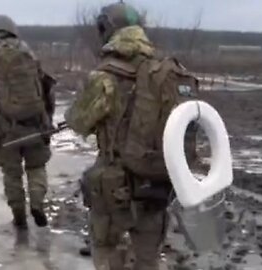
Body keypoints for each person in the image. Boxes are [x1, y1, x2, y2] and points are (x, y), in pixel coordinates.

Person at [65, 3, 199, 270]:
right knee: (148, 261)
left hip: (112, 188)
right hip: (155, 185)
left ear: (107, 30)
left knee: (106, 250)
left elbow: (78, 123)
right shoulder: (165, 73)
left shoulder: (104, 76)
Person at [0, 15, 56, 230]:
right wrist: (47, 120)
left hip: (2, 128)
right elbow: (46, 89)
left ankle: (18, 215)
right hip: (34, 122)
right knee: (37, 167)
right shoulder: (28, 53)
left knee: (12, 173)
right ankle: (37, 204)